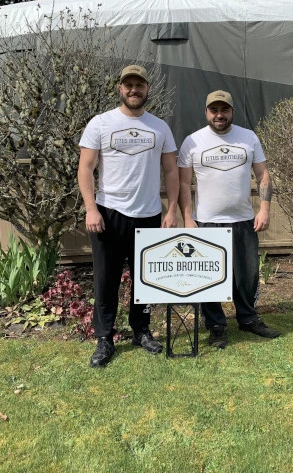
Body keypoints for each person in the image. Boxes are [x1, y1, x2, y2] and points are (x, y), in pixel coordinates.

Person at [78, 64, 179, 367]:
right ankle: (105, 338)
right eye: (128, 85)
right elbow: (85, 167)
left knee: (145, 280)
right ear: (120, 89)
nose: (134, 90)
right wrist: (91, 208)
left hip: (149, 214)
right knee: (106, 280)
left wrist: (171, 208)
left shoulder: (160, 127)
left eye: (140, 85)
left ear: (148, 89)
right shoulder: (101, 123)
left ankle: (142, 331)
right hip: (109, 214)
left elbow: (171, 170)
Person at [178, 90, 280, 349]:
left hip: (243, 220)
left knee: (246, 276)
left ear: (232, 111)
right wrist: (188, 218)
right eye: (214, 110)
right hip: (206, 222)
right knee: (209, 277)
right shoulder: (193, 141)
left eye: (224, 110)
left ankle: (247, 318)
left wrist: (265, 208)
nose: (219, 115)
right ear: (206, 112)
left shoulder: (249, 138)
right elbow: (182, 183)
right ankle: (216, 327)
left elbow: (264, 176)